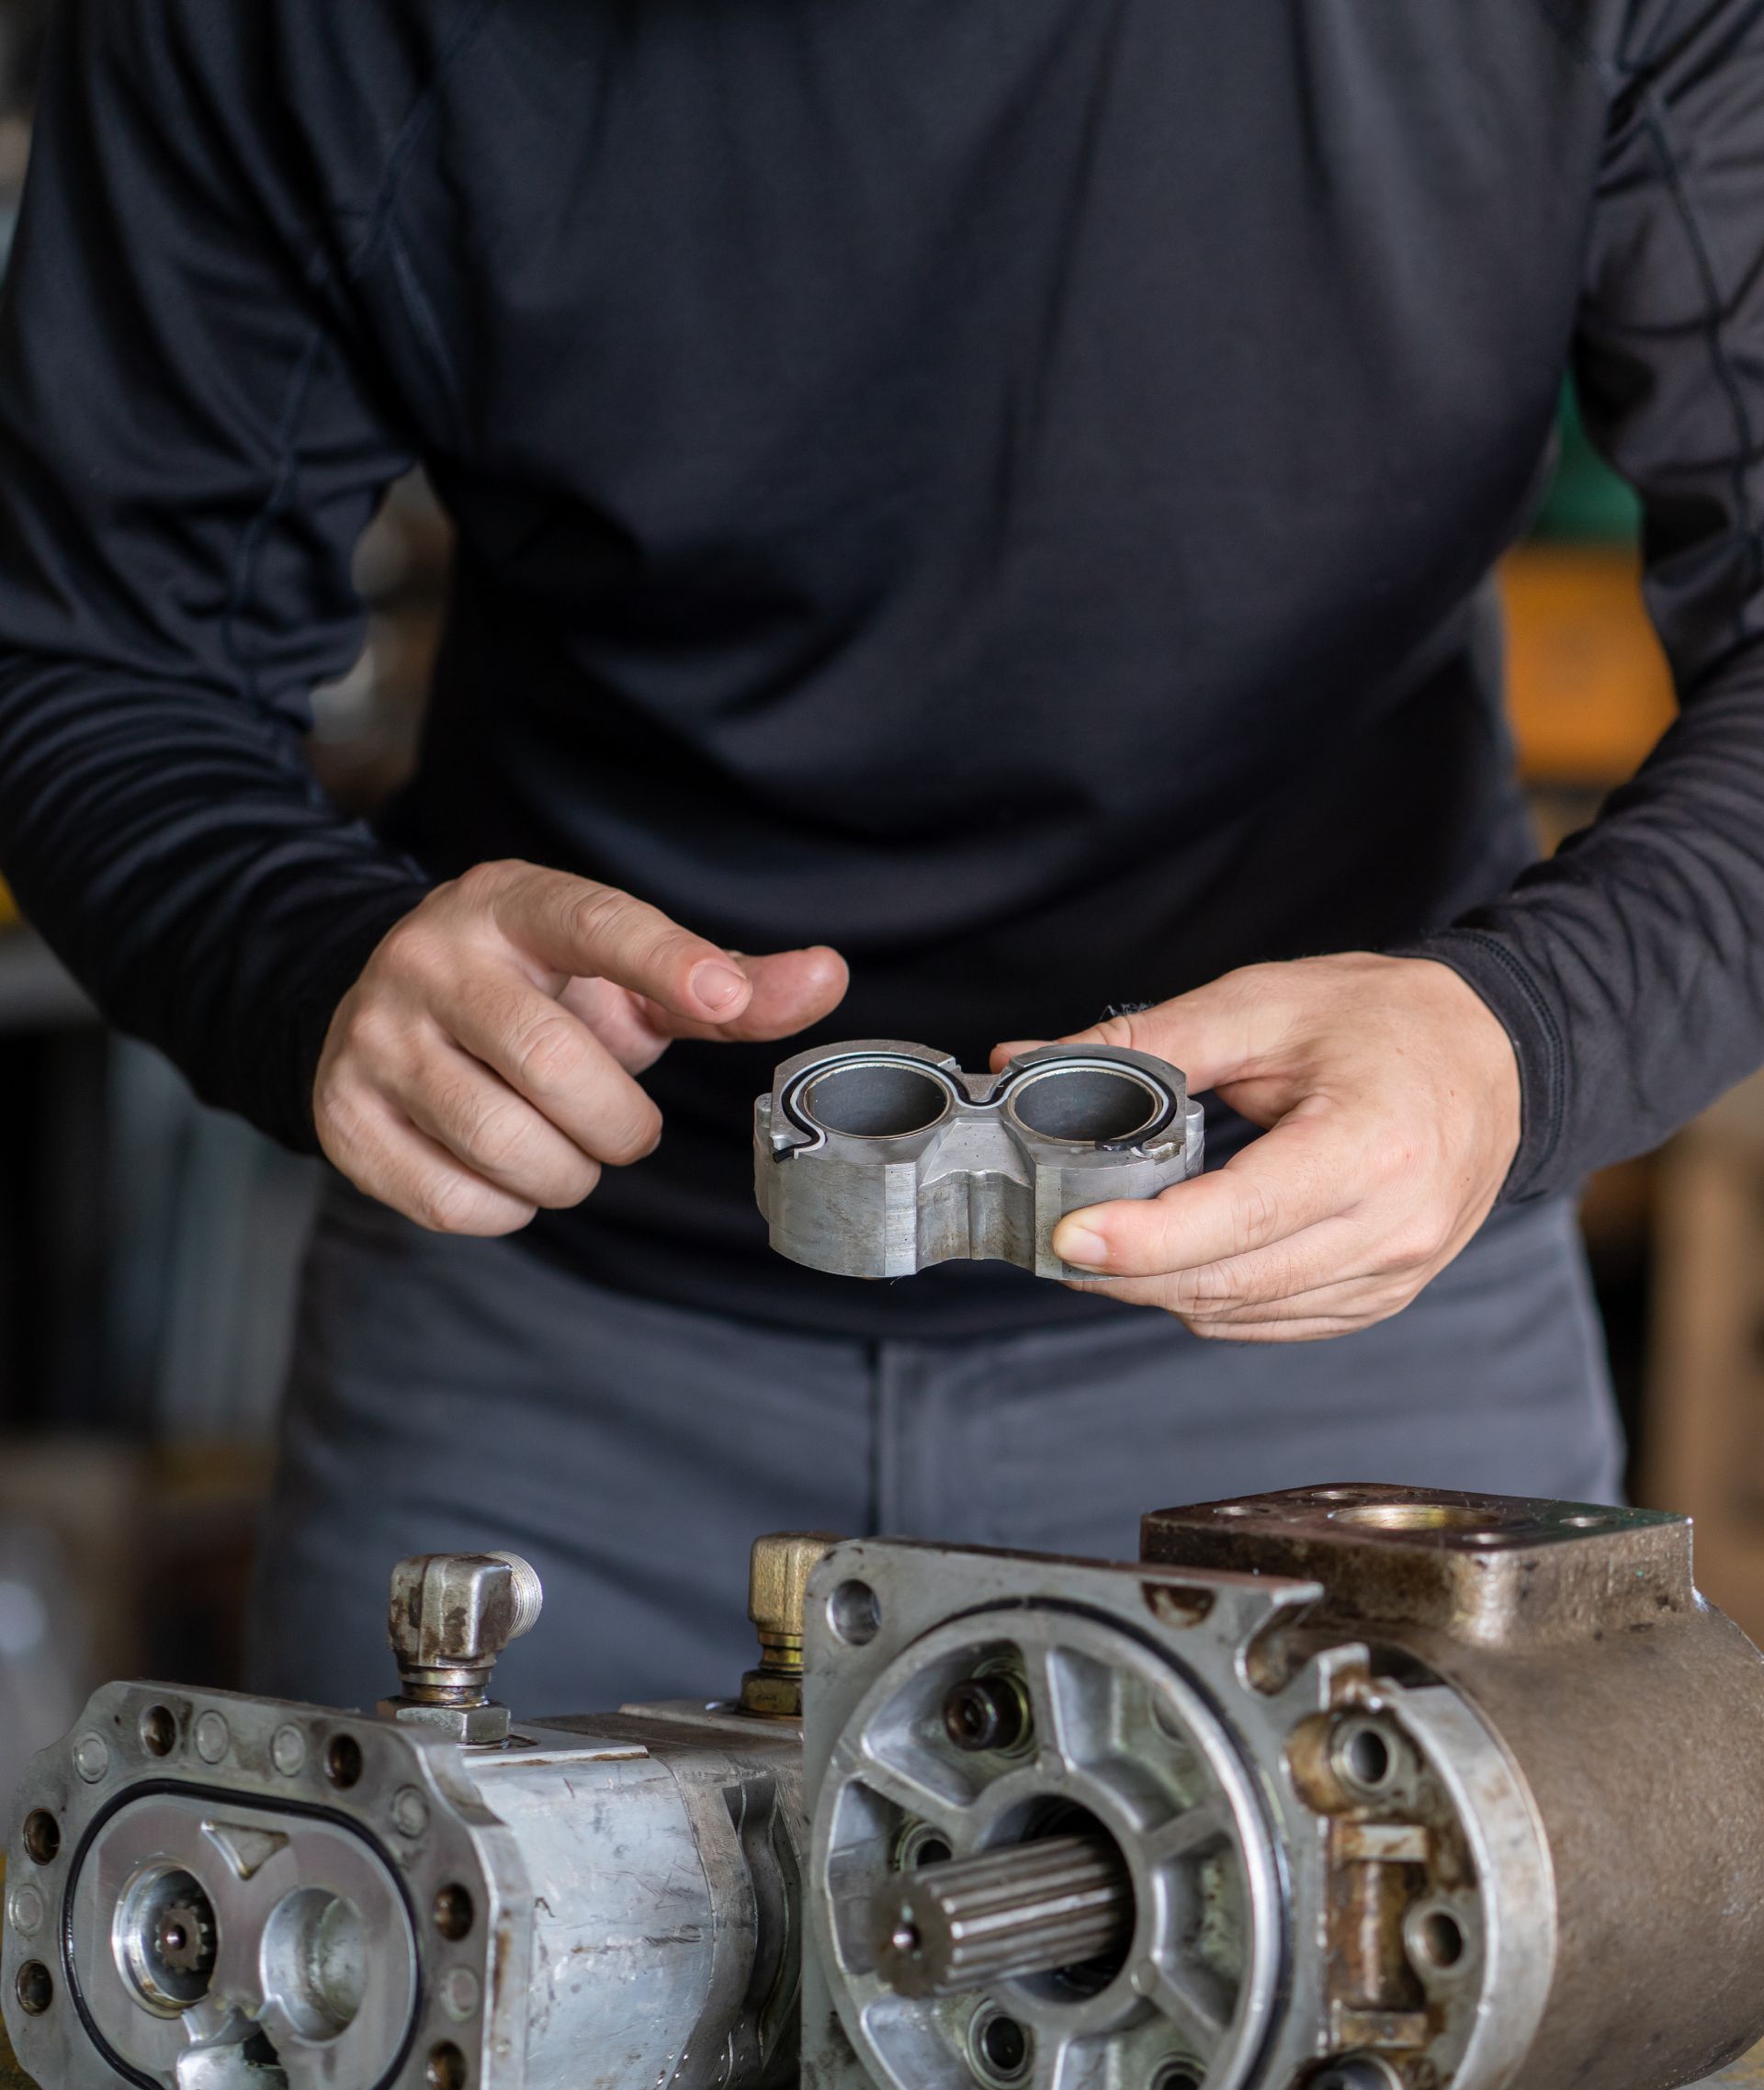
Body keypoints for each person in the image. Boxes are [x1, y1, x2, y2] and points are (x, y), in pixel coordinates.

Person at [0, 2, 1750, 1713]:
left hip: (1338, 1350)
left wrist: (1523, 1039)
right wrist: (309, 964)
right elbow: (92, 654)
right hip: (555, 1374)